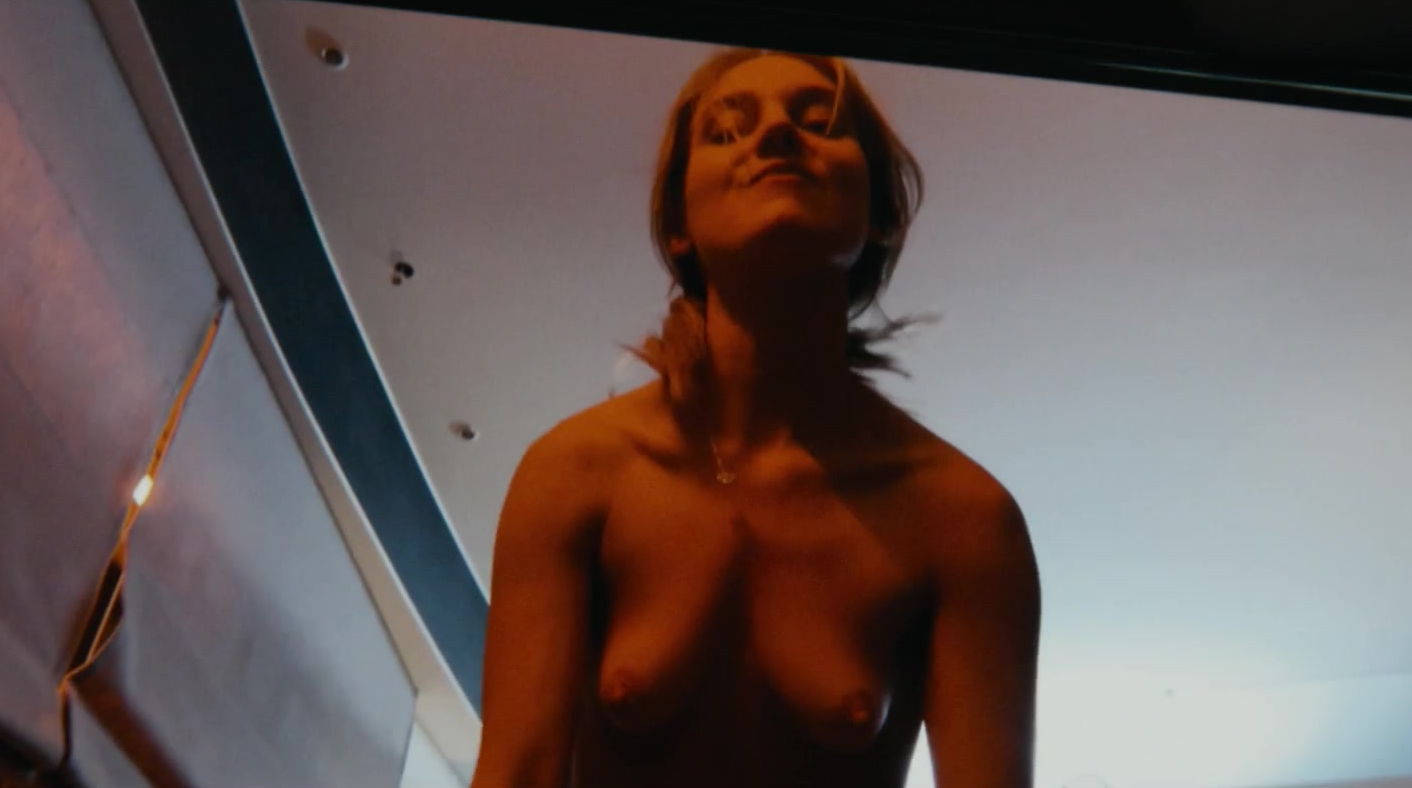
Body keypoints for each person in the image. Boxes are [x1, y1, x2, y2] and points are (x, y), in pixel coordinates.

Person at [469, 47, 1041, 788]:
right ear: (679, 224)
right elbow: (514, 773)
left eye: (818, 121)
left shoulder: (963, 519)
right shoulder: (576, 475)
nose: (775, 133)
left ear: (876, 213)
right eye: (728, 130)